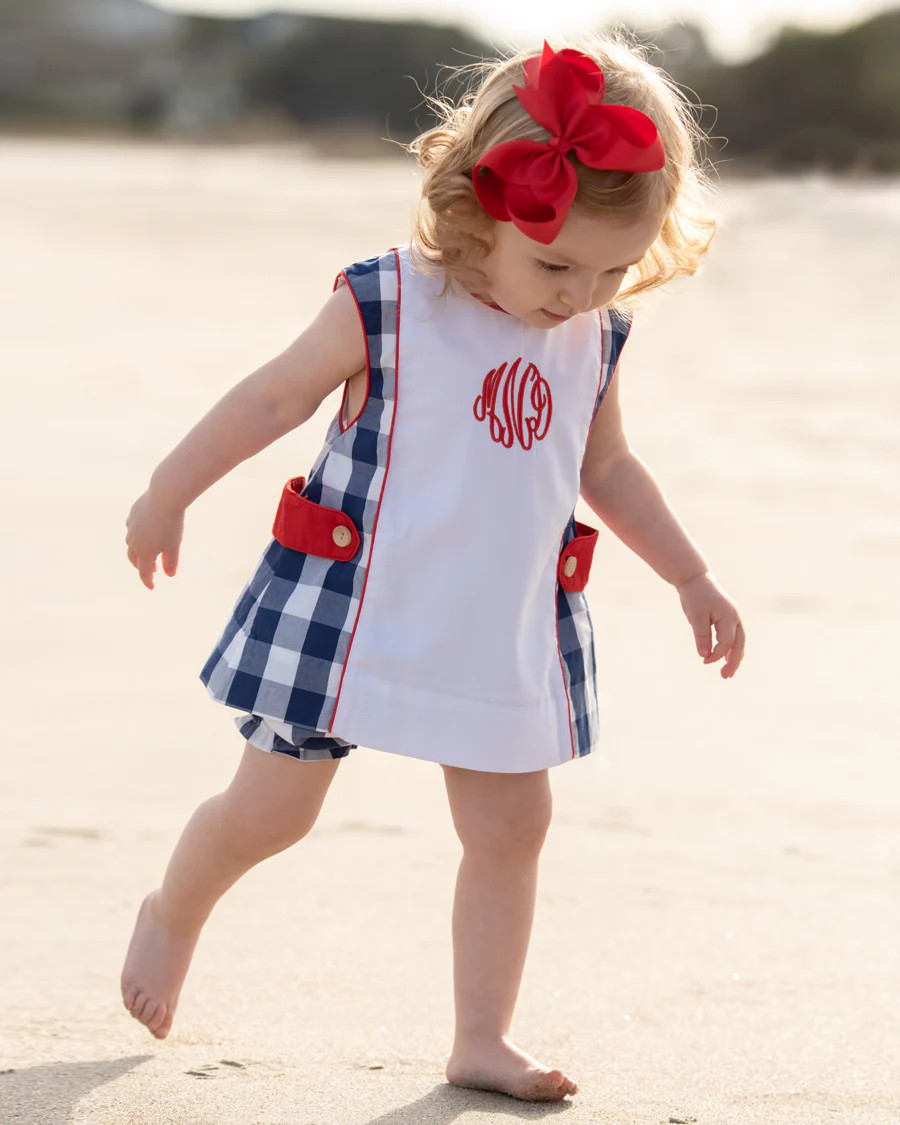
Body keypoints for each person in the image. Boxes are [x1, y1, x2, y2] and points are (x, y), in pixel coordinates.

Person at [121, 34, 745, 1102]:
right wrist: (169, 488)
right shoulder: (389, 301)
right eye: (555, 264)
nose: (578, 293)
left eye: (611, 269)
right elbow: (272, 398)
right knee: (272, 813)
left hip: (495, 617)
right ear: (477, 207)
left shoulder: (595, 340)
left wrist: (689, 574)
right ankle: (173, 910)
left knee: (514, 826)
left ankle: (480, 1037)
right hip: (353, 603)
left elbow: (611, 468)